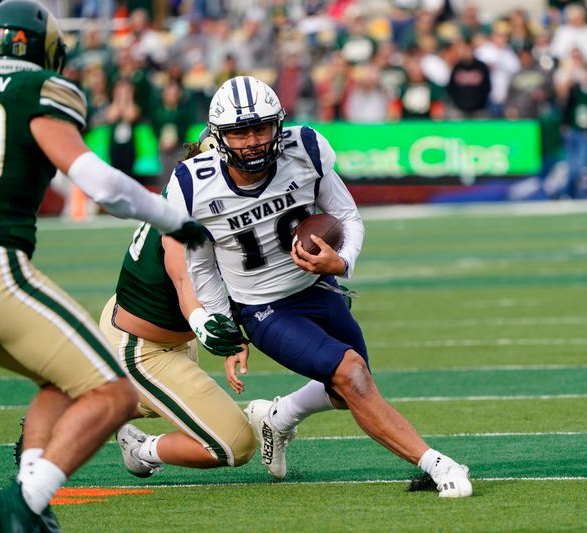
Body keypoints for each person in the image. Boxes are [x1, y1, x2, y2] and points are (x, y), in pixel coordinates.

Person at [0, 1, 205, 531]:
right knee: (116, 391)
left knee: (63, 379)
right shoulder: (40, 92)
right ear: (47, 50)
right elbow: (101, 184)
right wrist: (175, 221)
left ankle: (31, 499)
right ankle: (26, 500)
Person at [176, 75, 472, 498]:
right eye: (240, 132)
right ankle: (436, 463)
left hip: (318, 286)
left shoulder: (305, 150)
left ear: (278, 124)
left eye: (261, 128)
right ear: (219, 137)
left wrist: (342, 260)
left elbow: (347, 217)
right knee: (351, 375)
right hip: (263, 308)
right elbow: (200, 267)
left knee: (348, 388)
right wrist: (225, 327)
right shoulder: (193, 184)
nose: (253, 141)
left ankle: (277, 419)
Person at [97, 141, 257, 477]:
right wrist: (206, 326)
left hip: (164, 332)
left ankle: (86, 408)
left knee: (155, 402)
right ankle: (141, 451)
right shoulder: (182, 216)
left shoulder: (199, 204)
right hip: (141, 347)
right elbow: (185, 282)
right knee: (236, 443)